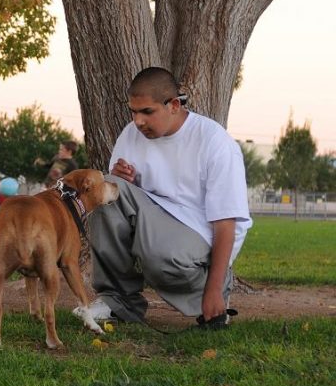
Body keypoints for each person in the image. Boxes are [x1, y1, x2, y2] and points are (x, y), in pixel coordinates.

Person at [86, 67, 252, 328]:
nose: (138, 121)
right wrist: (123, 182)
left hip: (198, 235)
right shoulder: (131, 134)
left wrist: (214, 290)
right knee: (106, 193)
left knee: (164, 254)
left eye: (147, 112)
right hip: (157, 226)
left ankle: (213, 297)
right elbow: (120, 202)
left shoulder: (214, 141)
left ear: (174, 105)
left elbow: (226, 223)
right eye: (134, 111)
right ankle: (118, 301)